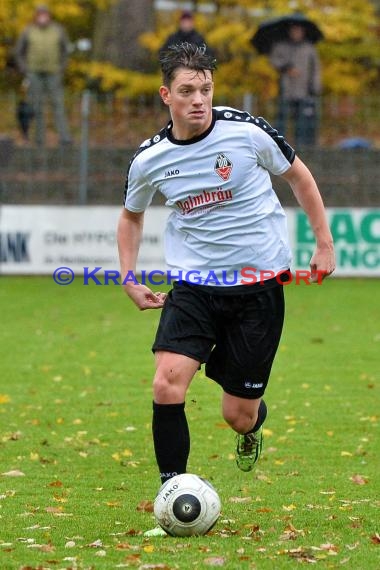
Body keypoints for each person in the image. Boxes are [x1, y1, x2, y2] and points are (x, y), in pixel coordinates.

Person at [117, 43, 335, 536]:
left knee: (238, 415)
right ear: (165, 95)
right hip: (193, 287)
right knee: (166, 382)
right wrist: (128, 276)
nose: (199, 100)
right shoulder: (150, 159)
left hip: (258, 290)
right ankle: (171, 491)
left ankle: (253, 424)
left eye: (206, 89)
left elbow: (299, 176)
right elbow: (131, 217)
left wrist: (323, 243)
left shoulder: (246, 132)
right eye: (188, 91)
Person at [15, 4, 71, 146]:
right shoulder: (29, 31)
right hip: (34, 73)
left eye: (45, 14)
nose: (42, 17)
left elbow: (66, 50)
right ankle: (39, 140)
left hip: (53, 72)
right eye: (40, 14)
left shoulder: (58, 30)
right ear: (36, 16)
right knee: (36, 106)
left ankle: (64, 138)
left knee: (57, 105)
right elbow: (19, 51)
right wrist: (24, 69)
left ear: (49, 16)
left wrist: (61, 67)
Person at [269, 24, 321, 147]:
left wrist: (315, 87)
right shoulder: (281, 46)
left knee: (303, 121)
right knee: (282, 119)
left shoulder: (309, 48)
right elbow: (274, 60)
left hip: (304, 91)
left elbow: (316, 69)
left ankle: (303, 145)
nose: (296, 33)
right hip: (286, 90)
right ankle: (279, 145)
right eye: (294, 31)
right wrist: (287, 67)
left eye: (299, 31)